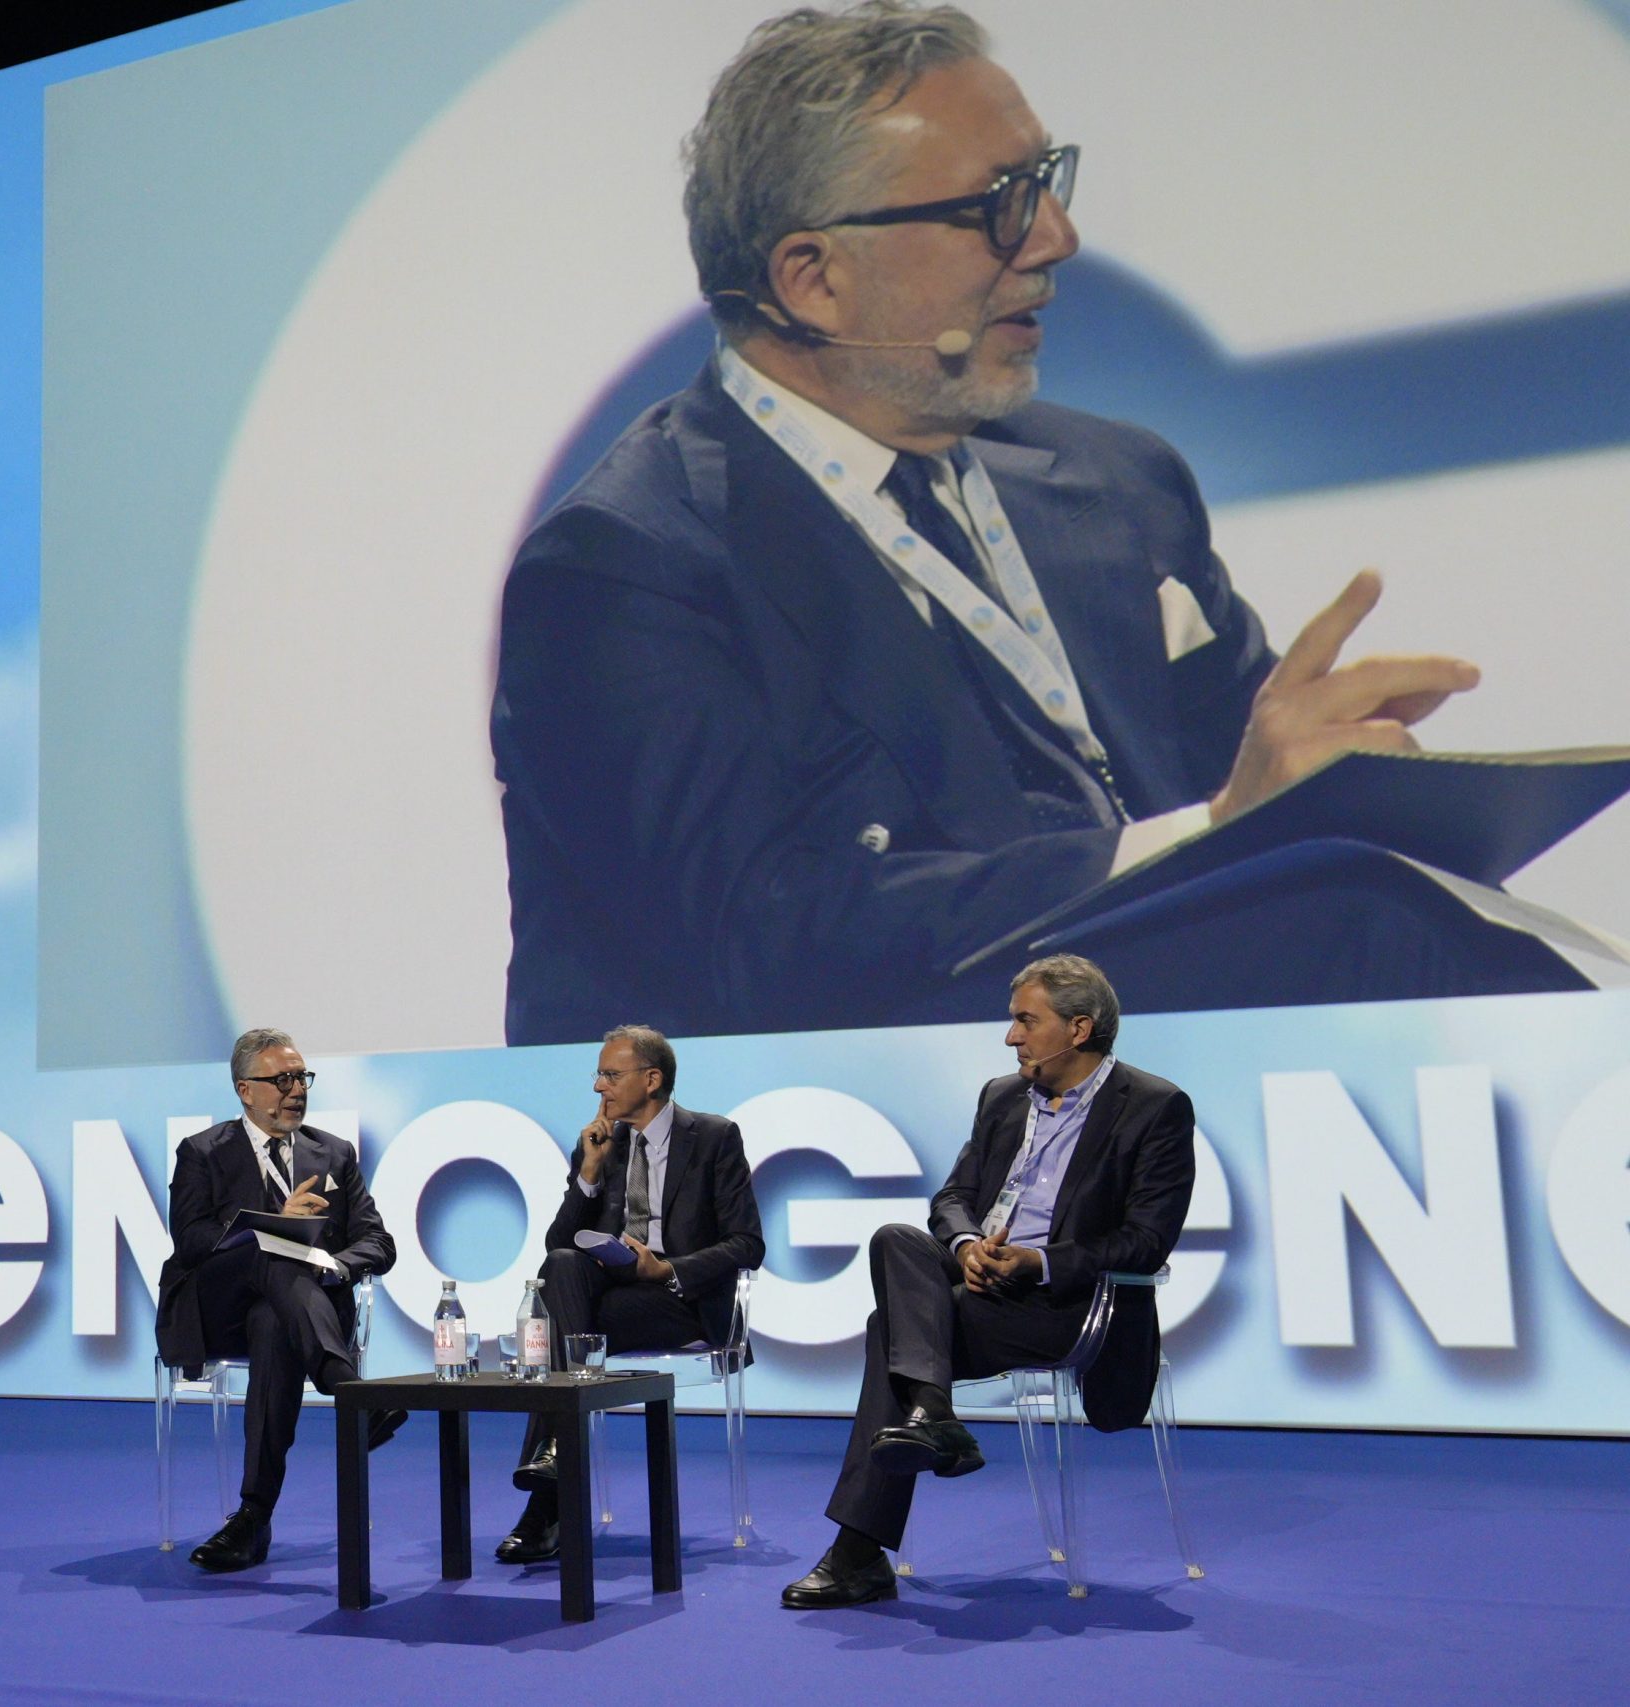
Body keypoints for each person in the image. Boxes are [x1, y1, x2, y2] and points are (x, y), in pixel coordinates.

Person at [489, 2, 1557, 1048]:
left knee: (1433, 909)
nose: (1056, 237)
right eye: (998, 204)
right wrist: (1215, 828)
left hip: (1157, 1049)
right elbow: (761, 937)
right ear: (814, 280)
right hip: (830, 1113)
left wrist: (1340, 781)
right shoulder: (626, 566)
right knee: (1369, 936)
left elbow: (1260, 798)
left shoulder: (1117, 483)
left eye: (1046, 179)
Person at [782, 953, 1191, 1607]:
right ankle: (933, 1417)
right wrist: (968, 1245)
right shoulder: (1003, 1096)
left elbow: (1146, 1240)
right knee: (895, 1239)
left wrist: (1039, 1261)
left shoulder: (1153, 1106)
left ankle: (863, 1544)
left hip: (1068, 1302)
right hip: (982, 1281)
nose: (1010, 1037)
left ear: (1079, 1028)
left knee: (890, 1328)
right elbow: (952, 1198)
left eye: (1026, 1021)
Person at [494, 1026, 766, 1564]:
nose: (599, 1087)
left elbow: (747, 1244)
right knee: (563, 1269)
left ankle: (548, 1495)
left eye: (610, 1075)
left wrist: (666, 1268)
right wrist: (588, 1176)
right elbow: (558, 1246)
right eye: (599, 1075)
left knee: (562, 1334)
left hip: (681, 1301)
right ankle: (557, 1457)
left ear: (652, 1079)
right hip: (607, 1301)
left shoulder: (714, 1137)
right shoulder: (601, 1144)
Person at [156, 1028, 405, 1571]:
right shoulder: (203, 1152)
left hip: (293, 1315)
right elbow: (190, 1240)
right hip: (218, 1310)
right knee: (270, 1251)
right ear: (245, 1090)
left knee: (273, 1320)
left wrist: (335, 1266)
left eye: (301, 1078)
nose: (296, 1090)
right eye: (282, 1080)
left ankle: (252, 1518)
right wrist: (270, 1225)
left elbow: (378, 1242)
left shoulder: (332, 1153)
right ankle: (351, 1392)